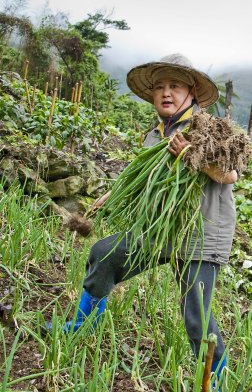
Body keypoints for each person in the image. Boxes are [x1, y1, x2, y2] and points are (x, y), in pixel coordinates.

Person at [46, 54, 238, 386]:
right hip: (159, 228)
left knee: (196, 317)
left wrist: (190, 155)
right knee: (104, 253)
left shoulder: (210, 128)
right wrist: (113, 194)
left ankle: (215, 382)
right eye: (159, 86)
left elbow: (229, 174)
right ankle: (83, 324)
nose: (166, 92)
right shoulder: (154, 134)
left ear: (191, 91)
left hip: (200, 235)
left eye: (174, 85)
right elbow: (144, 176)